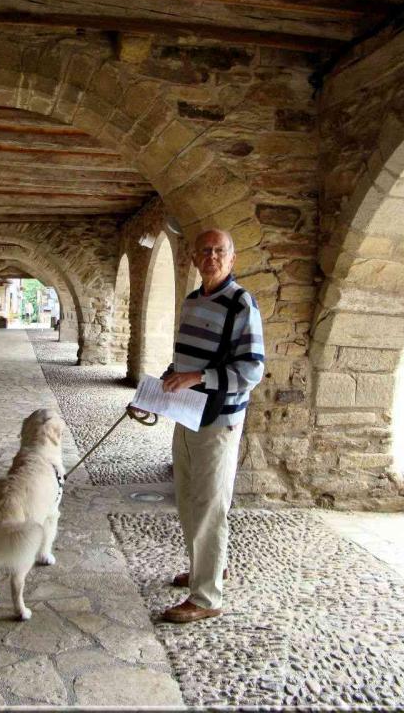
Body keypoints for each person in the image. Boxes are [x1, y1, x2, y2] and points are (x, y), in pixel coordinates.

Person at [160, 229, 264, 623]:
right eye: (205, 250)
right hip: (187, 412)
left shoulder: (241, 305)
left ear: (232, 258)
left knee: (209, 505)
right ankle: (210, 567)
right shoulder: (192, 301)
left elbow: (251, 370)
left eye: (220, 251)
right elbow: (187, 359)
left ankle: (205, 598)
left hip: (218, 418)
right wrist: (170, 378)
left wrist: (197, 378)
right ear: (194, 258)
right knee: (188, 497)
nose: (212, 256)